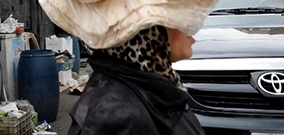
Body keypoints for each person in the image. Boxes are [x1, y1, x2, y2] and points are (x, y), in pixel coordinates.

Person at [68, 26, 205, 135]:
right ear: (147, 31)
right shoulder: (118, 118)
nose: (192, 27)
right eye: (179, 17)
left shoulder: (150, 87)